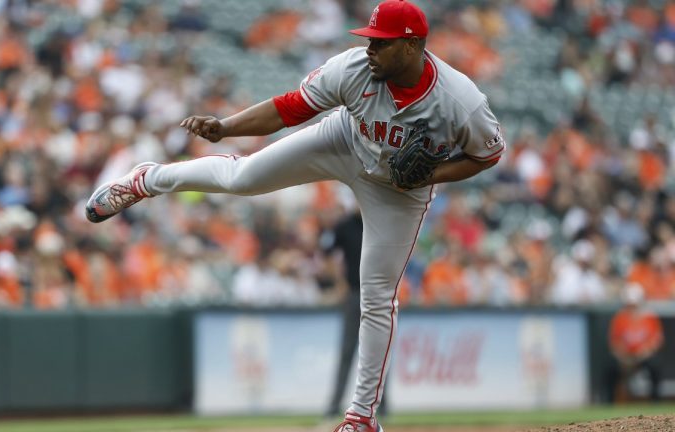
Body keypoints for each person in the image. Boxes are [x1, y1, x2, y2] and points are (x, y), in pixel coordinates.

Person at [85, 1, 505, 430]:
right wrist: (226, 127)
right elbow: (289, 107)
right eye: (370, 41)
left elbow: (487, 155)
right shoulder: (352, 69)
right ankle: (144, 181)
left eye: (381, 43)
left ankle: (361, 419)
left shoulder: (460, 101)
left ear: (413, 45)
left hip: (399, 190)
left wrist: (433, 173)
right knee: (243, 176)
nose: (370, 49)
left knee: (377, 297)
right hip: (344, 141)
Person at [320, 206, 389, 420]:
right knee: (348, 350)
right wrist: (339, 282)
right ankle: (334, 405)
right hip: (354, 292)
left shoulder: (380, 219)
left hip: (378, 295)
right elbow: (327, 253)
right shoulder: (344, 225)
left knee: (379, 351)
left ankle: (382, 406)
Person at [607, 283, 664, 403]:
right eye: (630, 304)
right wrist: (624, 358)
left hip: (644, 356)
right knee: (610, 370)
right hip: (626, 358)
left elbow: (656, 340)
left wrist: (643, 353)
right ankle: (609, 403)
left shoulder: (649, 317)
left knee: (655, 367)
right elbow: (615, 342)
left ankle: (656, 402)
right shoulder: (620, 318)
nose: (632, 307)